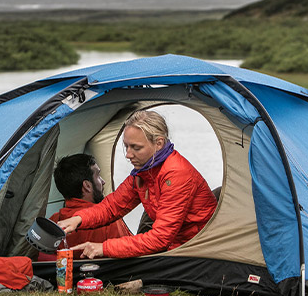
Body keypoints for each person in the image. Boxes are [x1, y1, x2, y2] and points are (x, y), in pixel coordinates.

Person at [58, 110, 217, 259]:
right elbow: (112, 206)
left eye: (136, 147)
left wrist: (104, 248)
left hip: (197, 249)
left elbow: (160, 238)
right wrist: (77, 219)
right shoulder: (145, 171)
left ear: (159, 143)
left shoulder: (176, 174)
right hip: (174, 246)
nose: (128, 155)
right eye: (126, 146)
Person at [40, 154, 131, 261]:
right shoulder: (110, 222)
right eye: (98, 176)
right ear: (87, 186)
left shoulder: (53, 223)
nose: (103, 181)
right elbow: (129, 257)